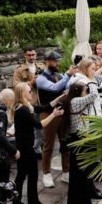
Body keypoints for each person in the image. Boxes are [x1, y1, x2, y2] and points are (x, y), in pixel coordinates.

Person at [12, 82, 64, 204]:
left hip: (22, 146)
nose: (32, 93)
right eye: (29, 91)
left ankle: (17, 200)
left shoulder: (24, 106)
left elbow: (44, 107)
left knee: (22, 175)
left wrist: (58, 99)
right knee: (31, 175)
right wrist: (54, 114)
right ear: (22, 94)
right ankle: (32, 201)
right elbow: (38, 125)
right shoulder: (23, 110)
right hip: (25, 148)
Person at [36, 50, 77, 188]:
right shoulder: (40, 78)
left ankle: (66, 172)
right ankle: (46, 174)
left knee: (65, 143)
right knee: (48, 145)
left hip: (62, 113)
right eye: (55, 61)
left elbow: (65, 88)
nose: (58, 63)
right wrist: (67, 75)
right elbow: (54, 88)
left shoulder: (59, 75)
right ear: (47, 62)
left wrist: (72, 79)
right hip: (48, 114)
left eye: (58, 61)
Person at [64, 81, 102, 204]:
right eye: (85, 90)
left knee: (80, 171)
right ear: (79, 91)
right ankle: (81, 201)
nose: (86, 92)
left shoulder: (73, 100)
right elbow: (94, 95)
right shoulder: (75, 101)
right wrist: (92, 83)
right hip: (79, 138)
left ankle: (80, 200)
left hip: (79, 137)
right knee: (81, 171)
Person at [13, 46, 45, 159]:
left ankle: (38, 148)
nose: (31, 57)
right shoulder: (19, 70)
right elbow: (16, 87)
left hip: (41, 101)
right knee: (33, 128)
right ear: (25, 55)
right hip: (28, 103)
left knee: (40, 129)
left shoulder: (42, 66)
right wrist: (31, 82)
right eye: (29, 55)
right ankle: (34, 150)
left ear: (36, 55)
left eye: (33, 55)